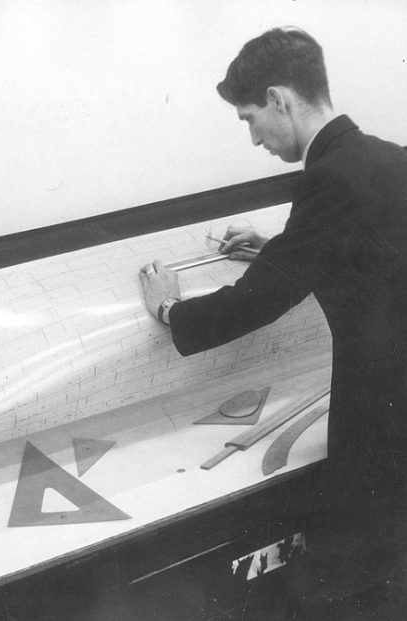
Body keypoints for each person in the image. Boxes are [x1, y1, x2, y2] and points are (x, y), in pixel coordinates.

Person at [139, 27, 407, 615]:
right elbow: (371, 257)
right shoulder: (391, 158)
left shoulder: (326, 179)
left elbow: (256, 305)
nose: (254, 137)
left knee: (353, 590)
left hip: (382, 428)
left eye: (249, 118)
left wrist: (168, 307)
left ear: (281, 99)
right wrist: (277, 248)